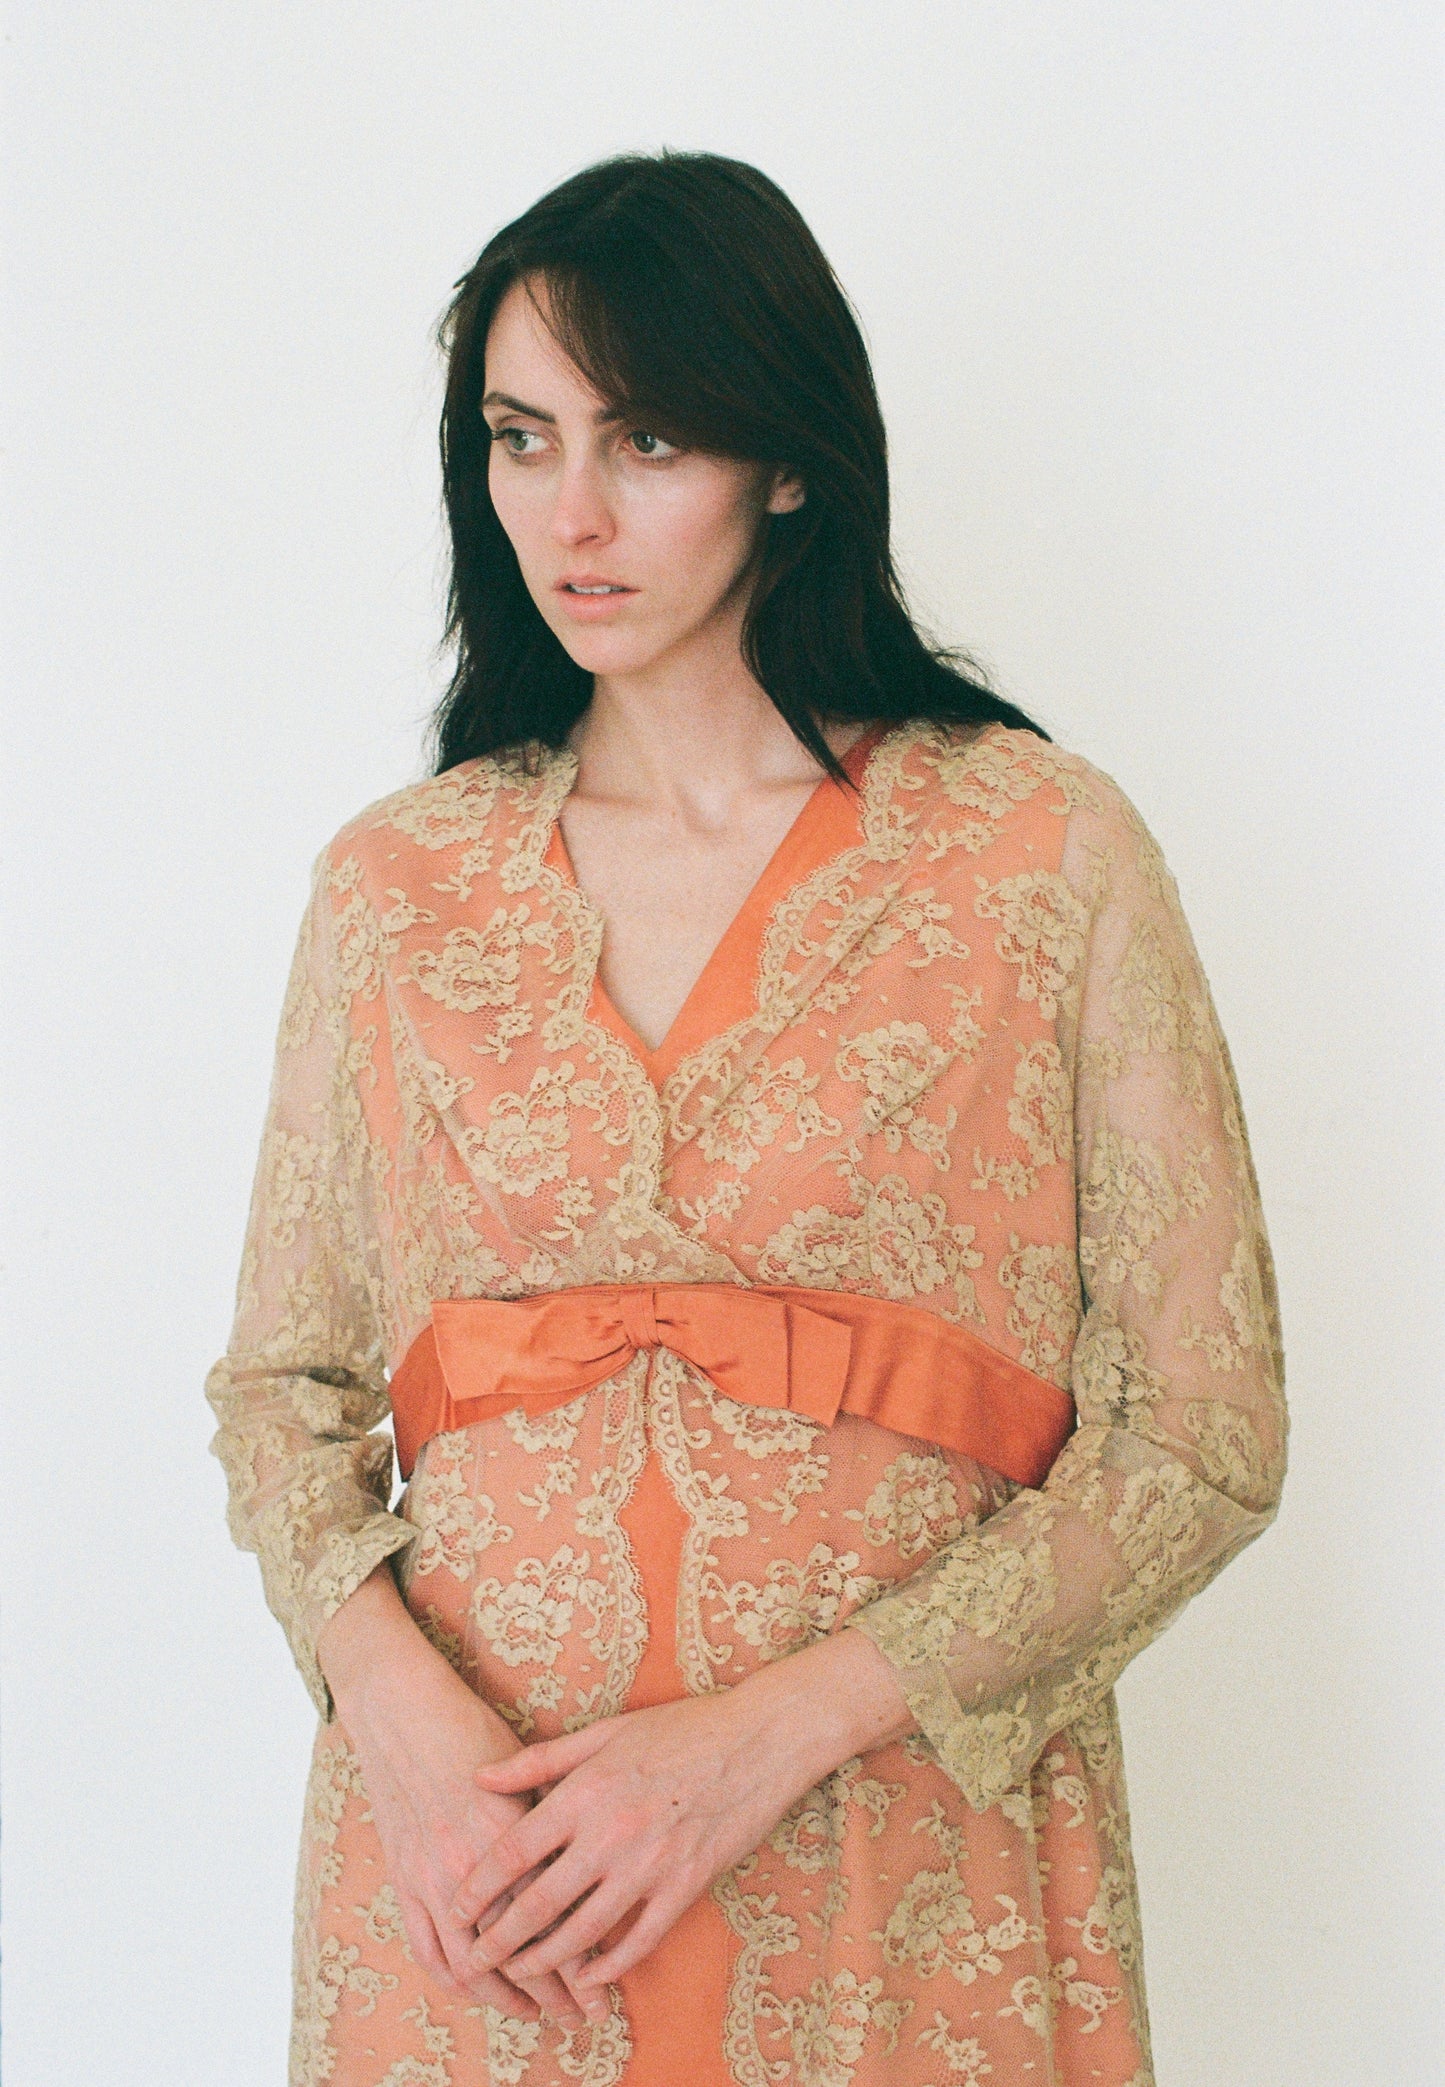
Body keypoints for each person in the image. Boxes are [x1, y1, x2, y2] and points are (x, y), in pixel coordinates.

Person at [207, 150, 1286, 2087]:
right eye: (522, 442)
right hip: (484, 1892)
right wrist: (405, 1731)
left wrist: (772, 1735)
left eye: (649, 438)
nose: (576, 513)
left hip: (893, 1861)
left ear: (789, 460)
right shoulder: (399, 889)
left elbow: (1202, 1433)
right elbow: (279, 1394)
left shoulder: (1040, 855)